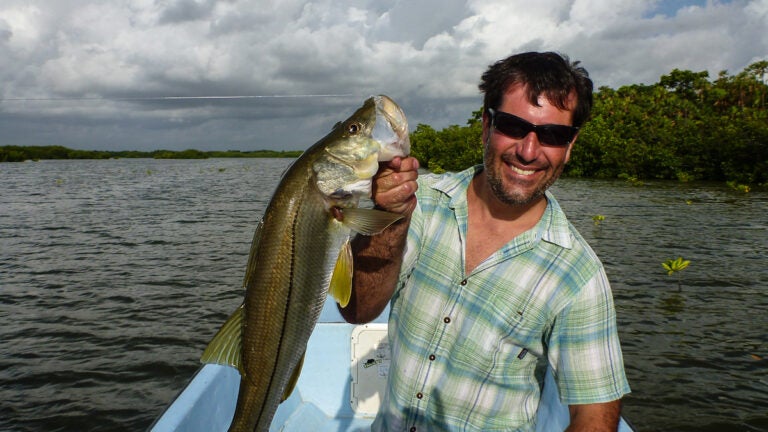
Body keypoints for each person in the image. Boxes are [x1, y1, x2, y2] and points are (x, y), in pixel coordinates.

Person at [339, 51, 631, 431]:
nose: (528, 151)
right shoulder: (420, 203)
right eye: (512, 126)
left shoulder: (579, 274)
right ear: (486, 127)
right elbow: (358, 310)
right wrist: (392, 218)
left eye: (553, 135)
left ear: (570, 146)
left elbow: (595, 414)